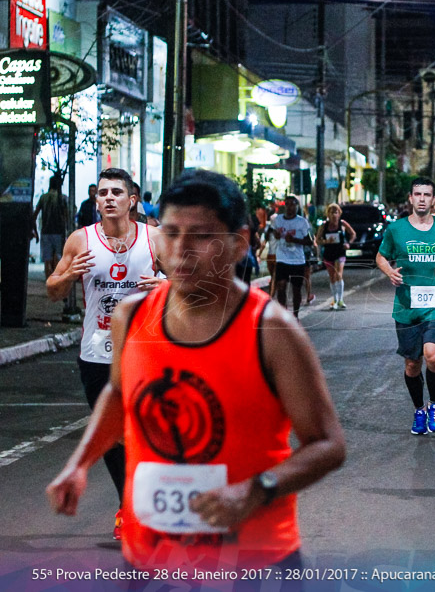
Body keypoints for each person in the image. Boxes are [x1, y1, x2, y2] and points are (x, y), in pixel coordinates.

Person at [46, 168, 346, 576]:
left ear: (239, 243)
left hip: (252, 563)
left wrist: (256, 490)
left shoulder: (271, 330)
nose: (181, 249)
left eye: (202, 236)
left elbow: (328, 443)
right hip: (154, 558)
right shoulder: (131, 316)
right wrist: (79, 464)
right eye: (171, 233)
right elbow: (118, 395)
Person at [45, 168, 163, 540]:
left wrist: (166, 284)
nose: (108, 198)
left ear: (132, 201)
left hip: (147, 351)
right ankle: (128, 506)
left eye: (117, 192)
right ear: (96, 201)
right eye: (102, 193)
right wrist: (65, 278)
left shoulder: (154, 238)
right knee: (112, 434)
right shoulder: (81, 240)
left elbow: (194, 282)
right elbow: (53, 291)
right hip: (97, 354)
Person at [376, 177, 435, 435]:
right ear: (410, 198)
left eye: (427, 194)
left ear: (433, 200)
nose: (422, 198)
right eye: (418, 194)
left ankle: (434, 405)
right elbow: (380, 256)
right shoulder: (396, 229)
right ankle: (419, 410)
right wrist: (389, 271)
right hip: (406, 306)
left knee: (433, 355)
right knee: (412, 365)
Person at [316, 203, 357, 309]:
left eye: (336, 212)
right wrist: (326, 241)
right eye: (331, 212)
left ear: (339, 214)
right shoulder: (324, 226)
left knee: (338, 274)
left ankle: (340, 300)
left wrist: (348, 243)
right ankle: (334, 299)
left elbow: (353, 233)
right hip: (329, 253)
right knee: (332, 276)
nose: (334, 215)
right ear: (328, 214)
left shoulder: (342, 224)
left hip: (340, 252)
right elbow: (317, 240)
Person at [32, 174, 68, 278]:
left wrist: (35, 231)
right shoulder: (63, 198)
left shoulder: (43, 197)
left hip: (45, 231)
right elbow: (66, 216)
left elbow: (34, 215)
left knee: (47, 259)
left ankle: (48, 279)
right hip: (58, 231)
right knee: (58, 256)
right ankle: (56, 279)